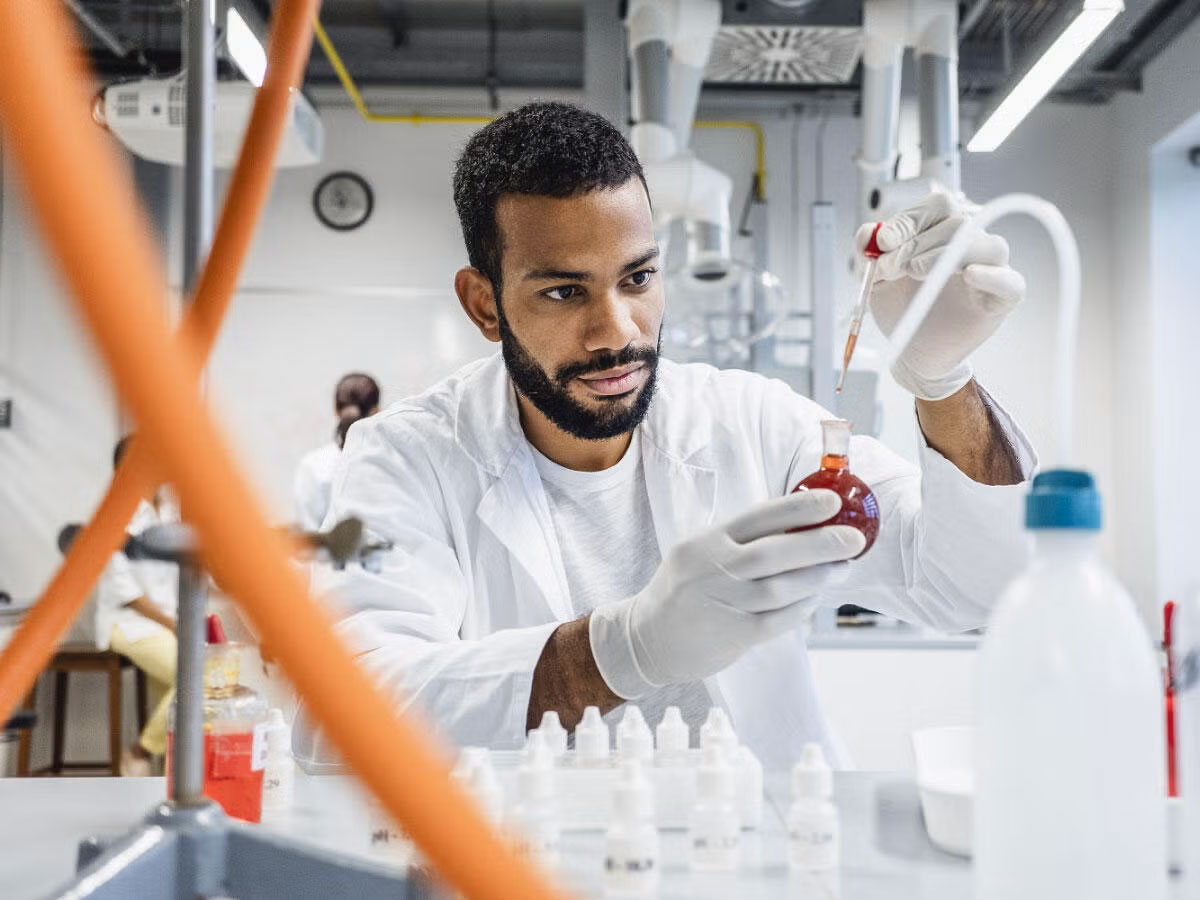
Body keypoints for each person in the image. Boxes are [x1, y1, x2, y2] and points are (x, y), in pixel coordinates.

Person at [295, 102, 1034, 770]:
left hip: (760, 855)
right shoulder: (408, 458)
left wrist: (944, 381)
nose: (616, 331)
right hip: (524, 862)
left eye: (638, 279)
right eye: (563, 291)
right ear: (484, 304)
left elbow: (977, 590)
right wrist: (622, 651)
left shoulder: (755, 424)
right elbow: (343, 711)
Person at [97, 434, 179, 776]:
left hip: (166, 623)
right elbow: (126, 591)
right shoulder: (117, 514)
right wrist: (174, 624)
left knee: (182, 693)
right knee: (197, 674)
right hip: (128, 622)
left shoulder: (168, 510)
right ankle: (139, 752)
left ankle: (171, 773)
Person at [292, 373, 381, 532]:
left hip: (326, 555)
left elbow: (307, 529)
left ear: (336, 410)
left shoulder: (312, 465)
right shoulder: (389, 461)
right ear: (376, 410)